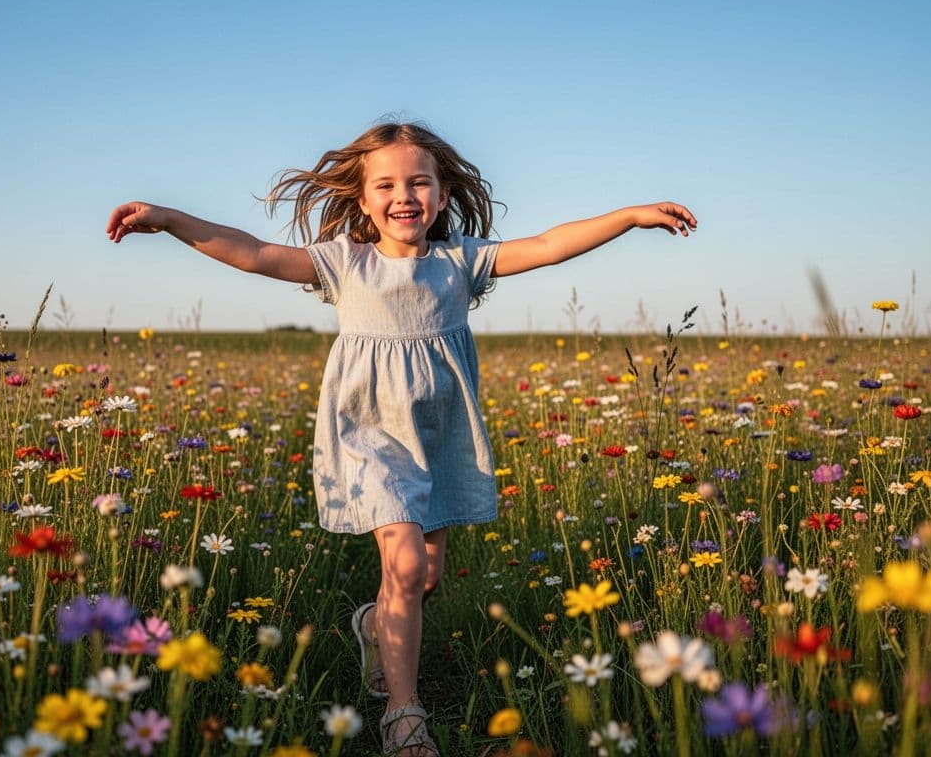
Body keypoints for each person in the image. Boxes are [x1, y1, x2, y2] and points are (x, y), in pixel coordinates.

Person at [106, 122, 696, 756]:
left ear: (443, 196)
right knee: (407, 564)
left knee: (424, 575)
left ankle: (371, 625)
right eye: (385, 184)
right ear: (363, 200)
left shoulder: (460, 261)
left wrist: (631, 216)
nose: (404, 195)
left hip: (440, 438)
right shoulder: (344, 263)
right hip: (368, 437)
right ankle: (403, 711)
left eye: (420, 182)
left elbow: (550, 244)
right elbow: (250, 251)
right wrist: (168, 218)